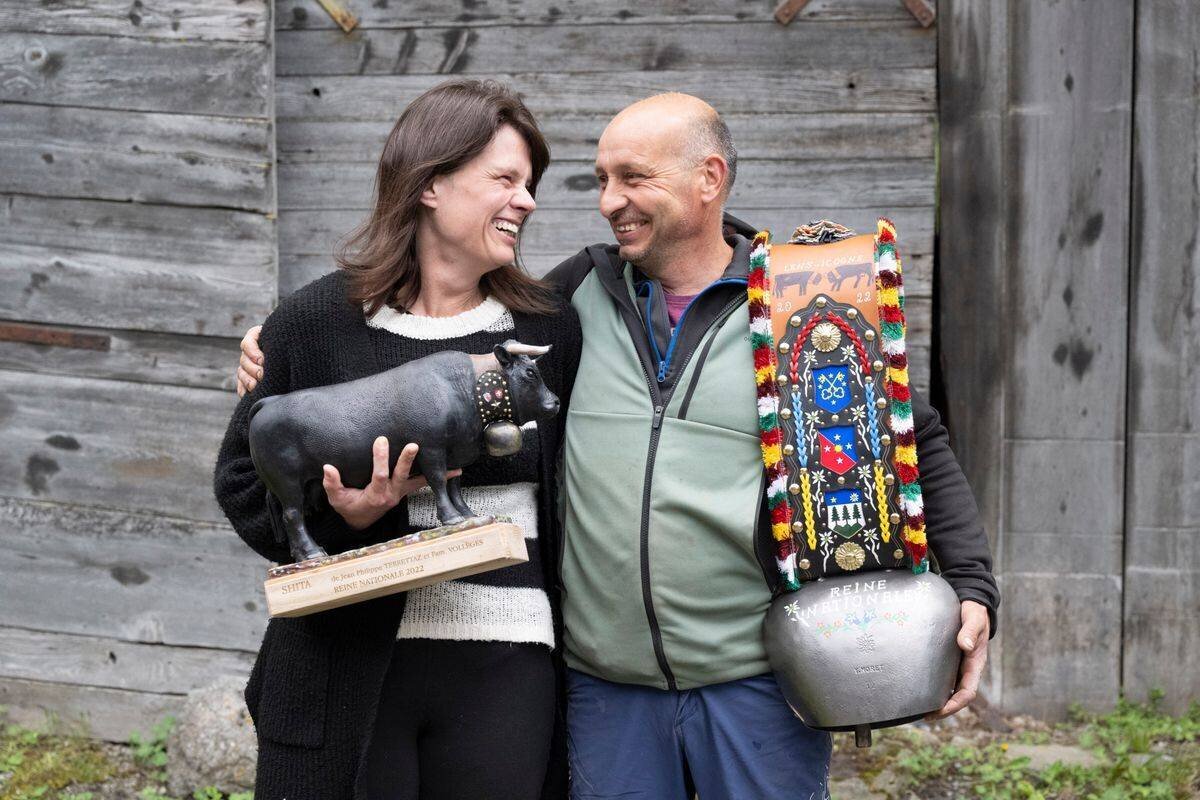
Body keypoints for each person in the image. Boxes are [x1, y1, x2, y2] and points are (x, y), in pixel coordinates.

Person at [237, 92, 999, 800]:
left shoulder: (804, 302)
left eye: (632, 178)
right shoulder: (569, 303)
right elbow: (360, 382)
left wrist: (971, 586)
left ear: (710, 178)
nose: (608, 202)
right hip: (605, 690)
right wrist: (273, 365)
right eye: (601, 179)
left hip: (754, 680)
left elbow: (913, 435)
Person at [214, 79, 581, 800]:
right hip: (340, 673)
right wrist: (336, 517)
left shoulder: (549, 328)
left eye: (530, 184)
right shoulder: (311, 322)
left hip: (505, 672)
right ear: (431, 185)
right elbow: (240, 484)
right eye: (505, 179)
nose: (528, 201)